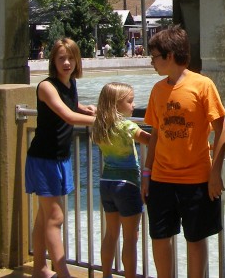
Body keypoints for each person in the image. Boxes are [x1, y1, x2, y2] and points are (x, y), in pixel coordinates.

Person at [141, 25, 225, 278]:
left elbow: (221, 129)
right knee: (159, 237)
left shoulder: (203, 85)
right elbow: (156, 134)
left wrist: (215, 173)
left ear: (169, 56)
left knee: (195, 239)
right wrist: (146, 174)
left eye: (154, 56)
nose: (152, 62)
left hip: (197, 180)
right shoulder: (157, 90)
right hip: (160, 180)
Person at [25, 38, 97, 278]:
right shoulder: (46, 86)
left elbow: (71, 107)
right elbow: (67, 116)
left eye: (70, 58)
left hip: (61, 157)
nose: (66, 63)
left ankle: (40, 269)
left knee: (43, 216)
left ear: (77, 59)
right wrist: (105, 121)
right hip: (44, 159)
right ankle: (63, 272)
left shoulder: (70, 84)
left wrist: (84, 107)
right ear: (52, 61)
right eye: (61, 58)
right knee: (55, 217)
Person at [91, 82, 151, 278]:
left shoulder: (101, 127)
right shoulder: (127, 126)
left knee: (111, 233)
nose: (133, 105)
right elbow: (149, 140)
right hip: (127, 186)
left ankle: (106, 274)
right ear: (117, 105)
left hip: (106, 183)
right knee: (130, 238)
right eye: (130, 101)